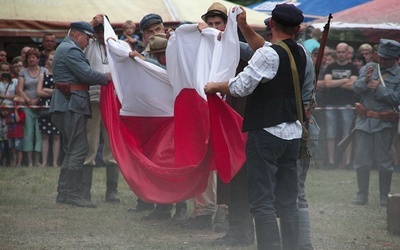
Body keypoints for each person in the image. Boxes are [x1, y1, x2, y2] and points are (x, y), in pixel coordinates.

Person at [204, 3, 314, 249]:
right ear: (297, 29)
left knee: (262, 201)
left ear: (272, 24)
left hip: (266, 134)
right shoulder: (301, 52)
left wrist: (214, 86)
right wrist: (242, 25)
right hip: (293, 134)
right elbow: (263, 49)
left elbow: (239, 86)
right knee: (287, 201)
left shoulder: (269, 54)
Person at [50, 21, 111, 208]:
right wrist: (109, 77)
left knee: (72, 150)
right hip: (71, 105)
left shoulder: (65, 48)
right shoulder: (71, 50)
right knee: (78, 150)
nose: (88, 42)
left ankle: (64, 192)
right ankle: (74, 194)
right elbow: (87, 75)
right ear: (78, 35)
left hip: (66, 103)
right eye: (87, 37)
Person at [129, 33, 188, 221]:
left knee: (176, 164)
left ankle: (180, 206)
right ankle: (164, 207)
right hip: (165, 123)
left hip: (176, 123)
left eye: (154, 56)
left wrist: (143, 62)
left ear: (161, 55)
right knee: (162, 163)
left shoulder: (177, 67)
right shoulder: (168, 65)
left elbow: (164, 73)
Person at [352, 39, 400, 207]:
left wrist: (379, 89)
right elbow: (356, 88)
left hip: (384, 122)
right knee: (362, 160)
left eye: (387, 58)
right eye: (381, 57)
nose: (382, 61)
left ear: (395, 58)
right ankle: (361, 195)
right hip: (364, 120)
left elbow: (397, 99)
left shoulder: (398, 75)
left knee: (384, 162)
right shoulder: (368, 68)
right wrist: (364, 81)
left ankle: (384, 196)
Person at [81, 14, 120, 204]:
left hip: (112, 101)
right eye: (96, 30)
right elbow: (74, 35)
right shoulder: (88, 44)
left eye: (102, 29)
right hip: (93, 98)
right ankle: (85, 191)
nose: (99, 33)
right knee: (90, 144)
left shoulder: (117, 45)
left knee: (111, 146)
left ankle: (112, 192)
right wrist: (91, 23)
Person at [129, 13, 165, 213]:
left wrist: (143, 61)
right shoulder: (142, 53)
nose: (154, 34)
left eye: (157, 29)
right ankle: (147, 199)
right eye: (149, 32)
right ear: (143, 36)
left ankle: (170, 204)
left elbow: (166, 71)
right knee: (147, 158)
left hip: (167, 114)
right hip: (148, 114)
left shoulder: (172, 49)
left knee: (166, 159)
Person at [323, 43, 358, 170]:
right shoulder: (330, 67)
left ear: (347, 53)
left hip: (347, 105)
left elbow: (353, 85)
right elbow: (327, 83)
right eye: (338, 52)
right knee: (330, 133)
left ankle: (347, 162)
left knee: (346, 134)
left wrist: (335, 82)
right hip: (331, 104)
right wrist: (344, 80)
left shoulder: (353, 68)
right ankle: (331, 161)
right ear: (336, 53)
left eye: (343, 52)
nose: (340, 54)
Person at [17, 48, 47, 167]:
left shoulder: (44, 71)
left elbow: (45, 87)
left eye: (33, 57)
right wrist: (28, 100)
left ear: (38, 59)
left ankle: (37, 160)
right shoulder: (23, 72)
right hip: (27, 106)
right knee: (28, 133)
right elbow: (20, 89)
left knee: (39, 133)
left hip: (40, 105)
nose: (31, 59)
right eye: (29, 57)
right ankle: (29, 161)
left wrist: (37, 100)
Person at [36, 52, 61, 167]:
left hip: (57, 107)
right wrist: (52, 91)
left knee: (56, 135)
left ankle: (55, 162)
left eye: (54, 59)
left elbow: (60, 92)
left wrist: (48, 90)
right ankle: (44, 162)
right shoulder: (43, 75)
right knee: (45, 135)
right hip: (44, 108)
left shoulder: (60, 75)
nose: (52, 61)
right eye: (50, 59)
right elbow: (38, 92)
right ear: (47, 61)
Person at [7, 96, 26, 167]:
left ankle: (19, 163)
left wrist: (16, 111)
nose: (15, 104)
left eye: (17, 103)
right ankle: (14, 162)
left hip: (18, 134)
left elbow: (18, 120)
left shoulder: (22, 113)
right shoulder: (10, 112)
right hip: (11, 134)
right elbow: (8, 121)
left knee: (19, 149)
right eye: (14, 103)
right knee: (13, 149)